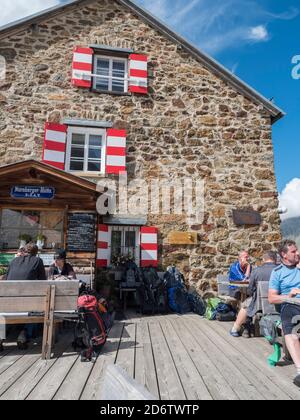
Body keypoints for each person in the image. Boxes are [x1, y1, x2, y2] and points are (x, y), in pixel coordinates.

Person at [269, 240, 300, 388]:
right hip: (290, 305)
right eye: (293, 252)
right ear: (284, 255)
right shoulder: (277, 273)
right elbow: (272, 298)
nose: (297, 253)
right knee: (291, 329)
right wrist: (289, 295)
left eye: (297, 250)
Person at [5, 243, 46, 347]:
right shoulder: (37, 260)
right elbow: (43, 282)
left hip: (8, 301)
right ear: (36, 253)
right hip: (26, 303)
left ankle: (1, 335)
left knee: (7, 309)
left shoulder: (14, 261)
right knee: (36, 306)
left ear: (24, 251)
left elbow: (6, 278)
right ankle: (25, 333)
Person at [230, 251, 278, 338]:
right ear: (275, 259)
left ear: (263, 259)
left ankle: (236, 328)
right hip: (279, 303)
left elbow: (250, 290)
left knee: (245, 305)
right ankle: (247, 327)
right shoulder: (281, 270)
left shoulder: (257, 271)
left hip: (260, 304)